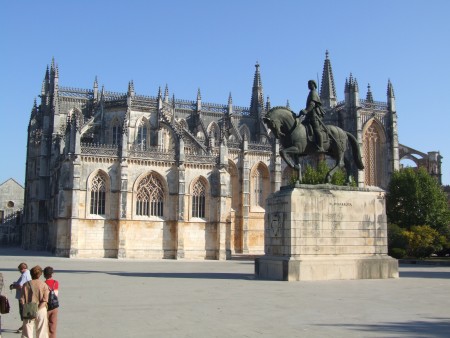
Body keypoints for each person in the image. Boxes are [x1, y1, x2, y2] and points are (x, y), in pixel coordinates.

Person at [20, 265, 49, 338]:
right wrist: (38, 308)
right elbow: (45, 300)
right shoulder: (44, 285)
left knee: (27, 332)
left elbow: (22, 299)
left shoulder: (26, 284)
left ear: (31, 274)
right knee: (42, 332)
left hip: (29, 309)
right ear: (40, 275)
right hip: (41, 309)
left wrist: (24, 307)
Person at [298, 80, 326, 152]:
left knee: (316, 129)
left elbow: (312, 104)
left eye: (310, 84)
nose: (309, 85)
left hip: (314, 115)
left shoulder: (314, 93)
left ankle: (320, 146)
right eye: (308, 84)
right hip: (309, 115)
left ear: (314, 85)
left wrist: (306, 111)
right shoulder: (310, 93)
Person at [10, 263, 31, 333]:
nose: (19, 271)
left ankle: (24, 326)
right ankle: (24, 325)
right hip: (26, 295)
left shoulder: (24, 275)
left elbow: (20, 286)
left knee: (23, 311)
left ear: (23, 269)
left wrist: (13, 286)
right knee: (24, 311)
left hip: (23, 296)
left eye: (20, 270)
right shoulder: (27, 273)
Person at [43, 267, 58, 338]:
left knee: (45, 325)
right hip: (54, 306)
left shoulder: (43, 283)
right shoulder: (56, 283)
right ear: (52, 274)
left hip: (46, 306)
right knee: (53, 326)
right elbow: (56, 294)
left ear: (44, 275)